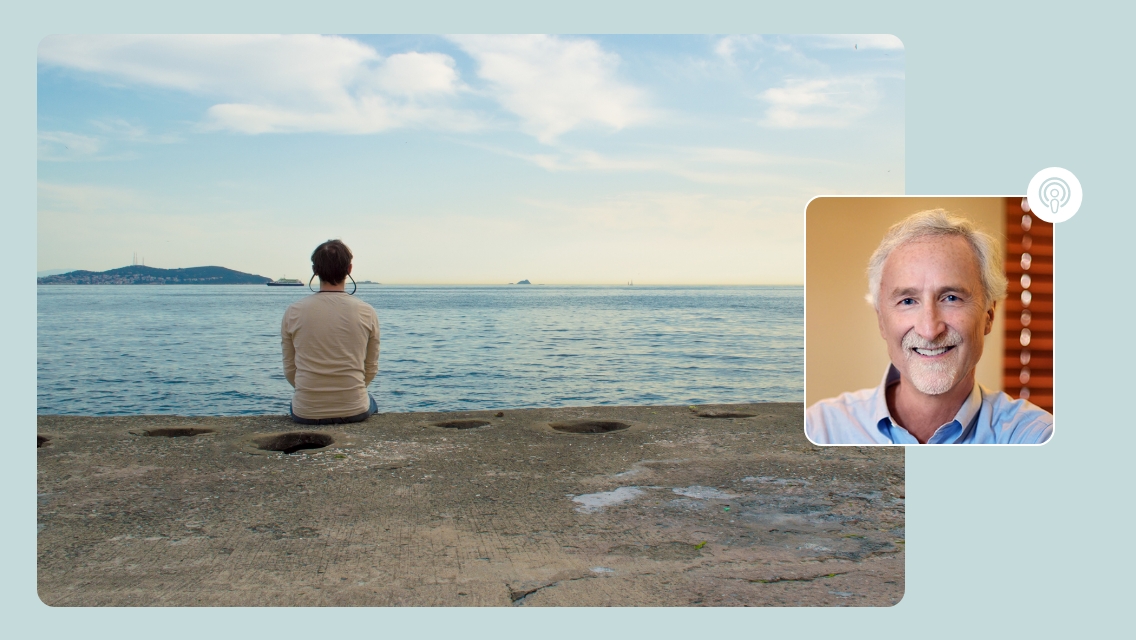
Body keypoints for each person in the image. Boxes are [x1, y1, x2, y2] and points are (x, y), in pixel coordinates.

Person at [806, 210, 1053, 445]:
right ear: (881, 321)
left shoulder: (1036, 437)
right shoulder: (820, 430)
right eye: (908, 301)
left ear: (988, 315)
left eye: (951, 298)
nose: (929, 330)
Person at [281, 239, 380, 424]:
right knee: (371, 401)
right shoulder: (367, 312)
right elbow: (371, 368)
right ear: (349, 269)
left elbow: (289, 370)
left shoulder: (293, 311)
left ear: (315, 270)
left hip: (306, 411)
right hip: (354, 408)